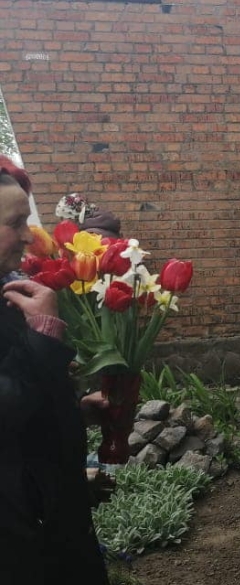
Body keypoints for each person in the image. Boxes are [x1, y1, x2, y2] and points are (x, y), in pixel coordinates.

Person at [0, 165, 109, 584]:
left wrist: (72, 410)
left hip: (52, 519)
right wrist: (44, 336)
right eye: (15, 223)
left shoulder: (10, 289)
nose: (30, 236)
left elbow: (21, 407)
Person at [55, 192, 122, 239]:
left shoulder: (89, 236)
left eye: (62, 218)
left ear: (73, 217)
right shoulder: (100, 223)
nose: (61, 223)